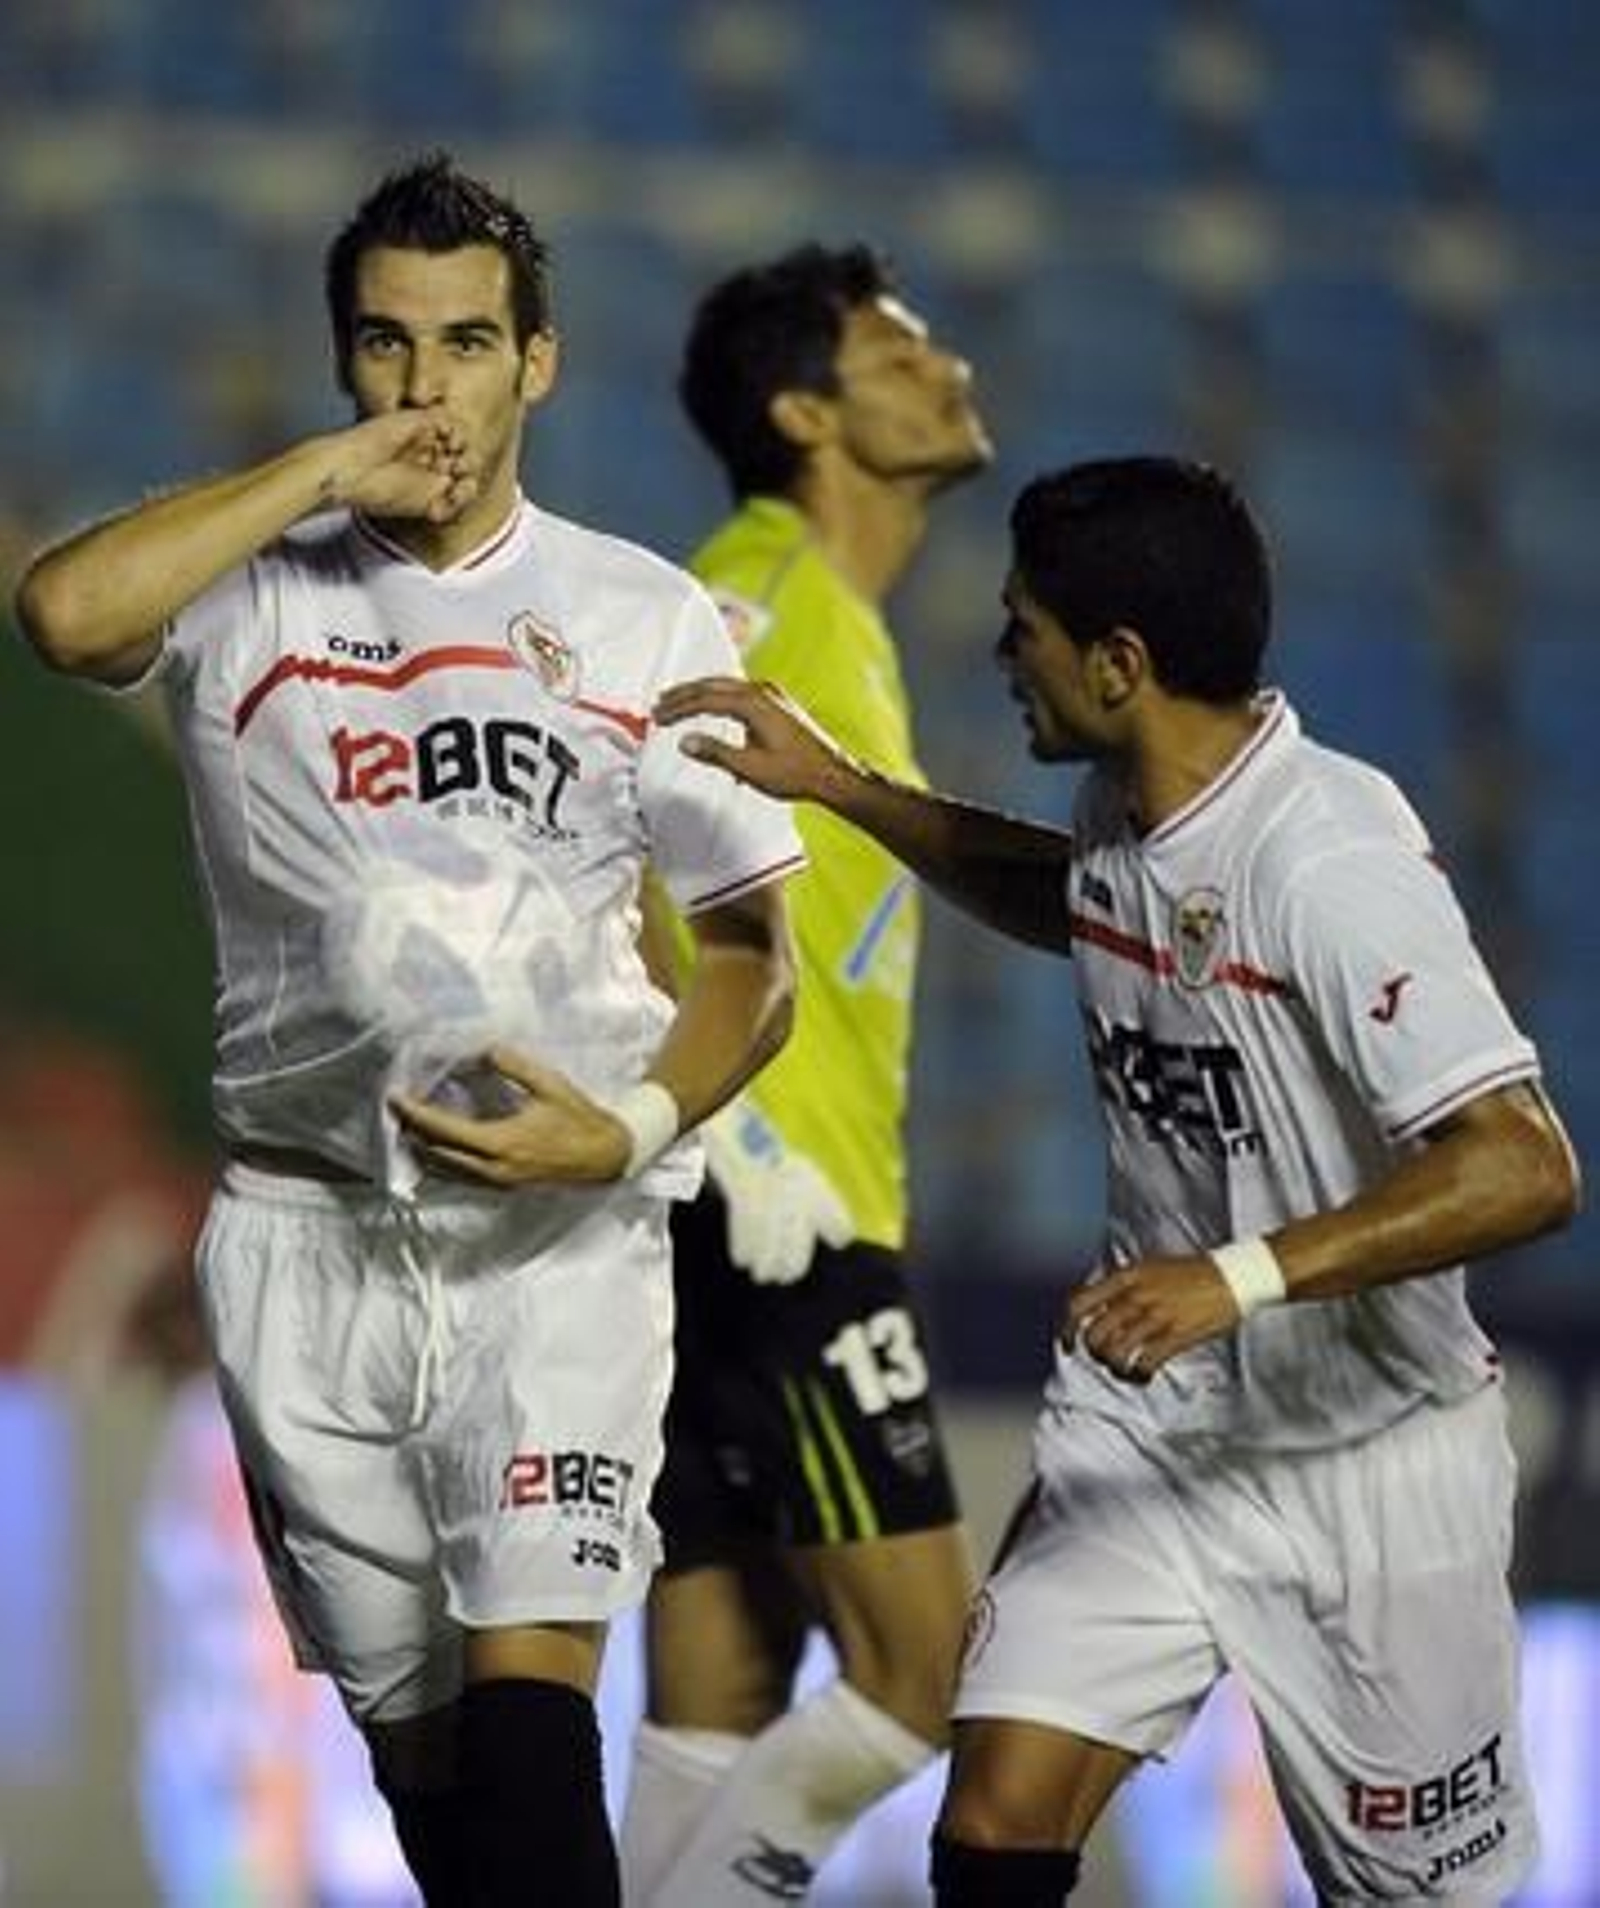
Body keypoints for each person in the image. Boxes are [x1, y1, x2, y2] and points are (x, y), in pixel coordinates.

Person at [14, 152, 804, 1908]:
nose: (426, 387)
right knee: (441, 1788)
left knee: (531, 1732)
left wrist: (626, 1132)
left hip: (553, 1243)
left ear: (540, 362)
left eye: (466, 343)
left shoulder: (639, 614)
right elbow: (61, 615)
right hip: (306, 1248)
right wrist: (317, 475)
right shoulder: (249, 582)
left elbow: (756, 958)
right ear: (343, 360)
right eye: (386, 343)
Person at [650, 454, 1583, 1906]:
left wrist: (1237, 1278)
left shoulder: (1327, 860)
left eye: (1022, 625)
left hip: (1367, 1460)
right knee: (995, 1823)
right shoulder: (1123, 805)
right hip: (1156, 1431)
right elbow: (1072, 897)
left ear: (1119, 664)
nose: (1000, 650)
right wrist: (838, 786)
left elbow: (1525, 1165)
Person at [618, 244, 992, 1903]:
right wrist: (737, 1135)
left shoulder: (835, 618)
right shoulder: (753, 601)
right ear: (803, 413)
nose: (948, 369)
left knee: (725, 1686)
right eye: (901, 355)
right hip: (779, 1213)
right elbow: (624, 858)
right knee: (922, 1674)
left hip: (737, 1211)